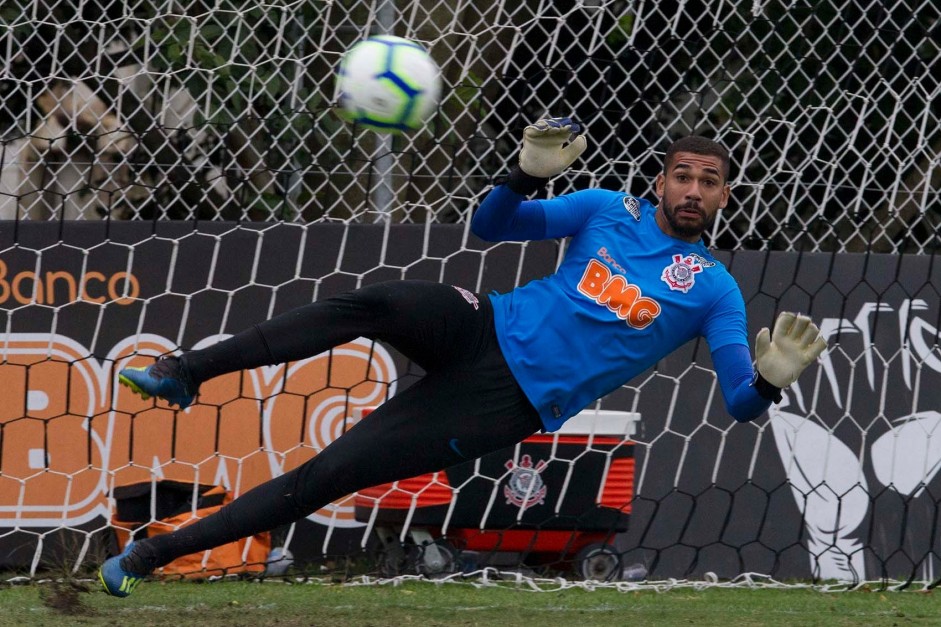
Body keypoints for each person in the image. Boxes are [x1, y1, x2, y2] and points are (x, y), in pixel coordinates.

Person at [99, 117, 827, 597]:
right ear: (659, 179)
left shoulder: (713, 290)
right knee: (374, 303)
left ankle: (150, 556)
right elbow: (490, 226)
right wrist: (525, 173)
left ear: (725, 195)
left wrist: (767, 381)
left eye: (707, 181)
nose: (692, 189)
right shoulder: (606, 208)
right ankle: (184, 372)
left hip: (502, 402)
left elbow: (738, 402)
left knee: (330, 472)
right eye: (681, 175)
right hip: (483, 324)